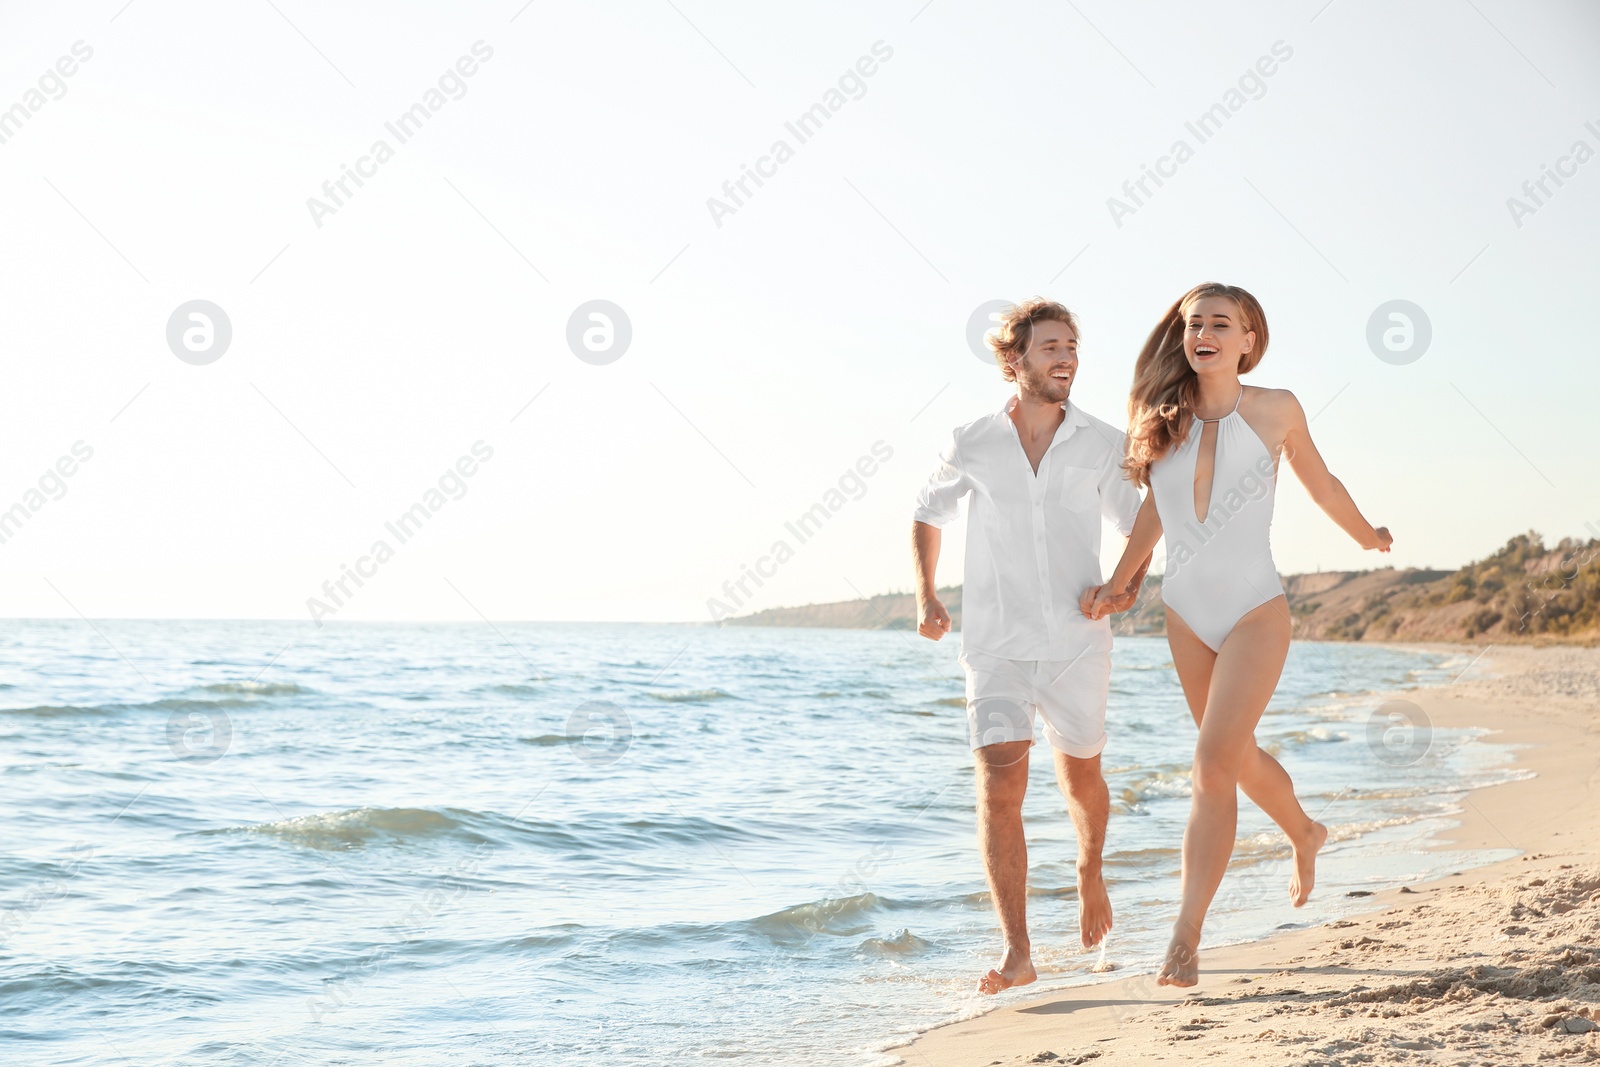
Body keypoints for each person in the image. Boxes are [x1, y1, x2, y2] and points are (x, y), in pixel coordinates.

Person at [1083, 282, 1392, 987]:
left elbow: (1324, 485)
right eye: (1195, 323)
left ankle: (1184, 939)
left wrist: (1366, 532)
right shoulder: (1160, 417)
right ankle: (1305, 832)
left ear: (1250, 338)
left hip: (1256, 609)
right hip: (1185, 612)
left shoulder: (1275, 409)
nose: (1205, 333)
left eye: (1221, 323)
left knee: (1210, 767)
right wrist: (1119, 583)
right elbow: (1153, 518)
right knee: (1233, 758)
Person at [913, 298, 1151, 995]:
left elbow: (1139, 527)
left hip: (1079, 642)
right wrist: (925, 593)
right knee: (999, 786)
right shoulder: (973, 439)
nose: (1066, 356)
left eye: (1073, 344)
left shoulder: (1105, 441)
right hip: (997, 646)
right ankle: (1018, 949)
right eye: (1051, 345)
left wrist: (1122, 587)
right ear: (1013, 360)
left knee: (1080, 778)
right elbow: (927, 510)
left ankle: (1089, 866)